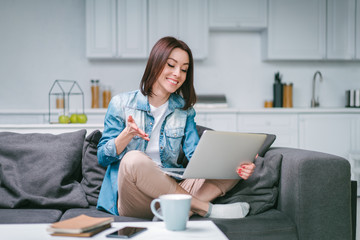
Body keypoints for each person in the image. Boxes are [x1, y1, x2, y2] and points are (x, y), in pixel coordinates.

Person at [96, 36, 256, 219]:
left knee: (232, 168)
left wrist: (238, 159)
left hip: (169, 192)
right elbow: (102, 157)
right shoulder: (121, 104)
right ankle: (204, 208)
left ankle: (169, 214)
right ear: (155, 63)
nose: (177, 74)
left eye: (184, 69)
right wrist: (127, 134)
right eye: (171, 65)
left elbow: (195, 156)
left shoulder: (184, 110)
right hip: (134, 197)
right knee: (133, 160)